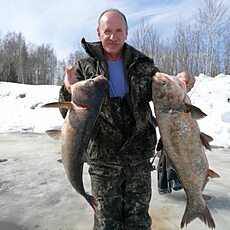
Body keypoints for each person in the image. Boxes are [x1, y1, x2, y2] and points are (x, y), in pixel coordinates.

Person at [59, 8, 195, 230]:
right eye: (107, 31)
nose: (113, 37)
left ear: (126, 33)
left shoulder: (144, 66)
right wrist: (67, 91)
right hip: (103, 161)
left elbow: (167, 95)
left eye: (118, 30)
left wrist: (183, 82)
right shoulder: (84, 68)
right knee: (106, 223)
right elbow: (69, 116)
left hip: (138, 161)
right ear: (98, 32)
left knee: (138, 222)